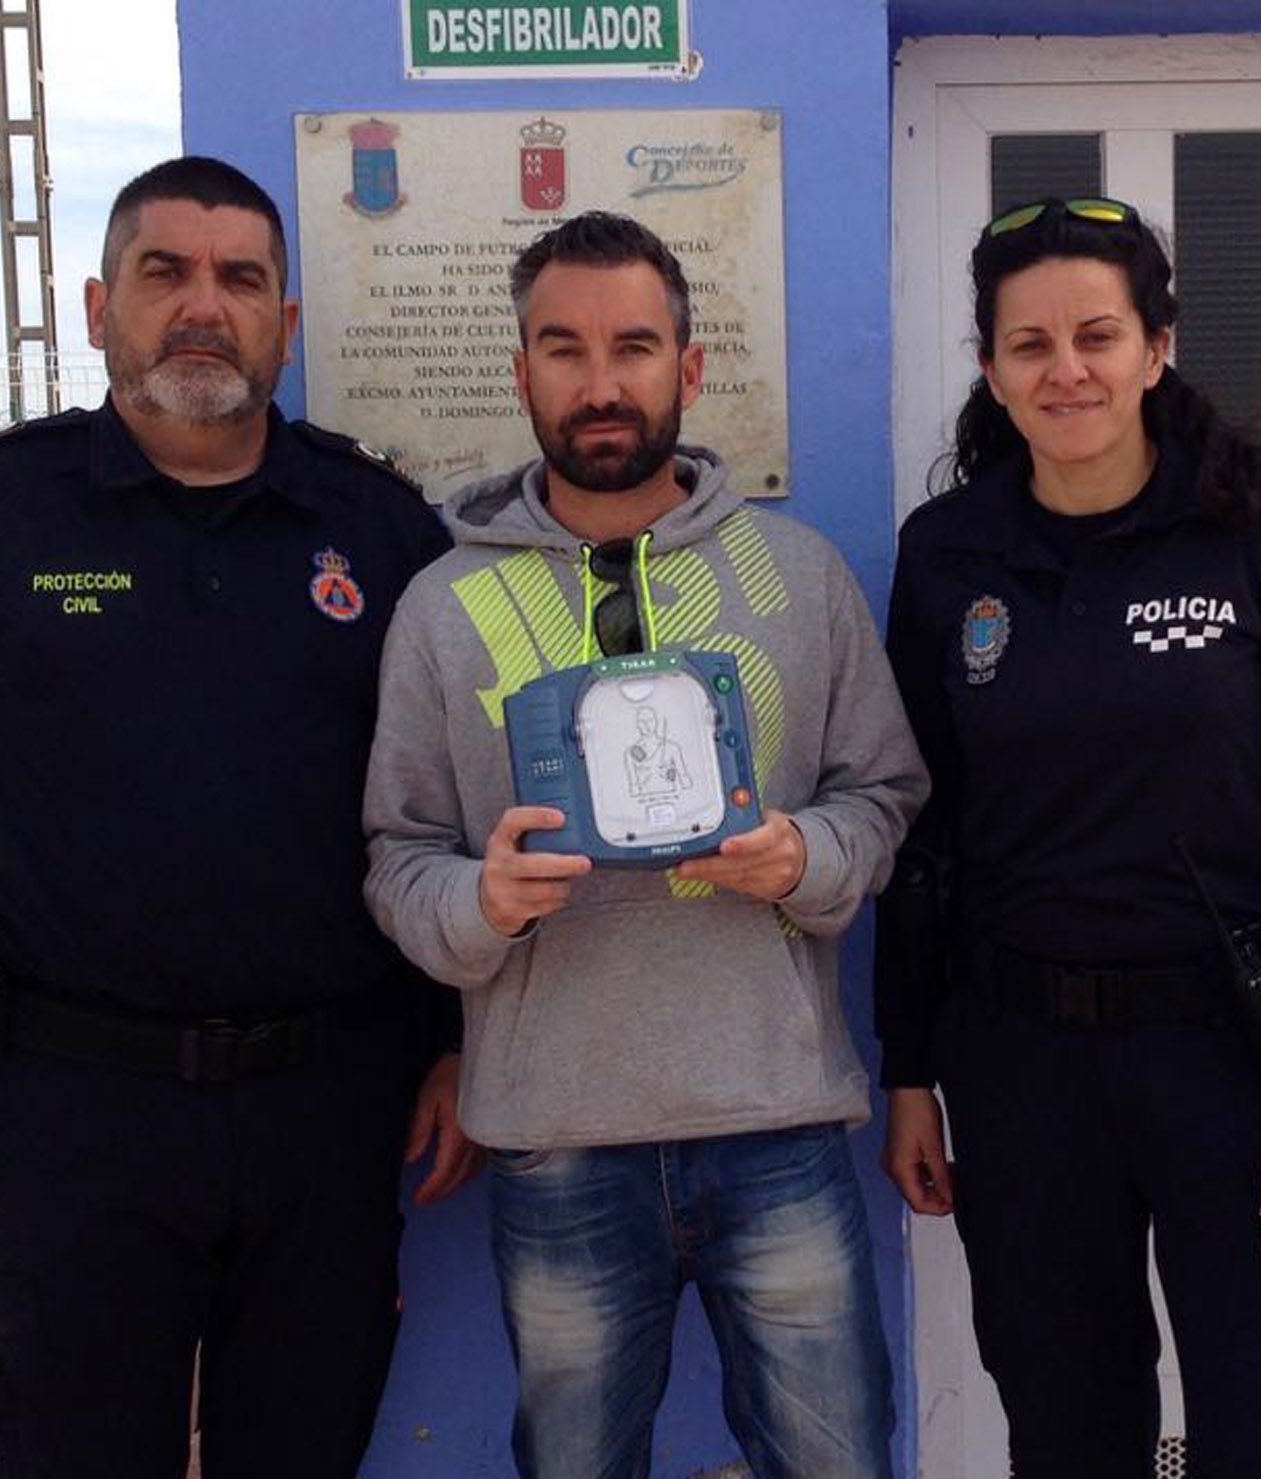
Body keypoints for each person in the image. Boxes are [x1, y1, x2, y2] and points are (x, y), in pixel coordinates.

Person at [0, 156, 475, 1477]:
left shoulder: (379, 528)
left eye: (240, 279)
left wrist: (466, 1041)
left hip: (328, 1105)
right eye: (162, 271)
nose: (201, 305)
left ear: (286, 324)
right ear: (97, 303)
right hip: (74, 1106)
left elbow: (446, 807)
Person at [363, 211, 926, 1478]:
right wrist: (482, 902)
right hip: (556, 1139)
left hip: (777, 1123)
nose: (600, 382)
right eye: (562, 349)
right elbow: (396, 855)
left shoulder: (797, 574)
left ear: (690, 364)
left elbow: (882, 795)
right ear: (519, 374)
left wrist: (803, 861)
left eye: (633, 345)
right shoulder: (440, 607)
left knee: (838, 1463)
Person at [875, 197, 1261, 1478]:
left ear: (1156, 346)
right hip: (1022, 1067)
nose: (1066, 370)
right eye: (1028, 344)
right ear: (991, 370)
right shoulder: (947, 554)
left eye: (1097, 335)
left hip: (1233, 1065)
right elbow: (917, 832)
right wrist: (907, 1069)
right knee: (1065, 1433)